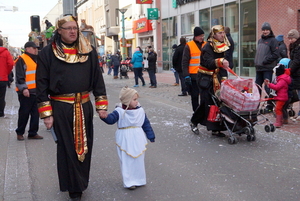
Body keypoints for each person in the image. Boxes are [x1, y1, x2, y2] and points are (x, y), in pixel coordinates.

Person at [36, 15, 108, 201]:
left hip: (84, 106)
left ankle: (81, 182)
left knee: (85, 147)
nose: (73, 31)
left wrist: (101, 105)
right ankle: (73, 187)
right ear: (59, 31)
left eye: (74, 27)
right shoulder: (47, 53)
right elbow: (41, 85)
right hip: (60, 107)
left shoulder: (89, 51)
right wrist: (46, 114)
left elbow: (97, 79)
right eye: (68, 28)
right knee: (67, 147)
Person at [100, 86, 155, 190]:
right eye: (134, 99)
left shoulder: (140, 111)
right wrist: (105, 117)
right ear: (126, 100)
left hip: (138, 137)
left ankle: (139, 179)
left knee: (138, 159)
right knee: (127, 160)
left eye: (136, 99)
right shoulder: (119, 111)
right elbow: (111, 120)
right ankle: (130, 181)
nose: (136, 101)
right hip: (125, 138)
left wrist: (150, 135)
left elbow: (146, 124)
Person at [189, 25, 231, 137]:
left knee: (217, 102)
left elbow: (223, 65)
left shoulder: (222, 45)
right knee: (206, 102)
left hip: (216, 77)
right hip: (205, 78)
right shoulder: (207, 47)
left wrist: (224, 79)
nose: (222, 35)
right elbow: (208, 63)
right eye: (220, 33)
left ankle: (215, 128)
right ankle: (194, 121)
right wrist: (221, 61)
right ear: (214, 35)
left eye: (223, 33)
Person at [15, 41, 43, 141]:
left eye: (36, 48)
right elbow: (19, 76)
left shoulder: (37, 59)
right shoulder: (22, 59)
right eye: (34, 48)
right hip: (26, 92)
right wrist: (24, 88)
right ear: (27, 49)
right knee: (24, 113)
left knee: (36, 113)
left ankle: (33, 133)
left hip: (36, 91)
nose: (36, 50)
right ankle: (20, 132)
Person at [254, 22, 279, 113]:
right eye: (264, 30)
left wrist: (266, 60)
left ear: (270, 30)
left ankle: (270, 105)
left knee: (268, 88)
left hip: (267, 68)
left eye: (267, 30)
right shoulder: (260, 40)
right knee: (257, 88)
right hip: (259, 68)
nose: (265, 31)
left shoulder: (273, 40)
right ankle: (256, 106)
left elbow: (276, 54)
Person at [182, 26, 207, 112]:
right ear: (196, 36)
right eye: (200, 36)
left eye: (203, 35)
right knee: (195, 96)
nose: (202, 37)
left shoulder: (206, 45)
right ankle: (196, 113)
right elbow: (185, 62)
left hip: (204, 74)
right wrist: (186, 75)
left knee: (204, 96)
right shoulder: (189, 46)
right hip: (193, 75)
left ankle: (203, 114)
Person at [287, 29, 300, 119]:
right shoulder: (293, 46)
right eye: (289, 38)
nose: (290, 40)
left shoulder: (298, 47)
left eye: (292, 38)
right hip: (295, 72)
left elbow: (297, 61)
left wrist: (290, 69)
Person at [0, 38, 14, 117]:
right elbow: (10, 64)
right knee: (1, 97)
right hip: (2, 79)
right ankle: (1, 112)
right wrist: (6, 73)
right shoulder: (6, 52)